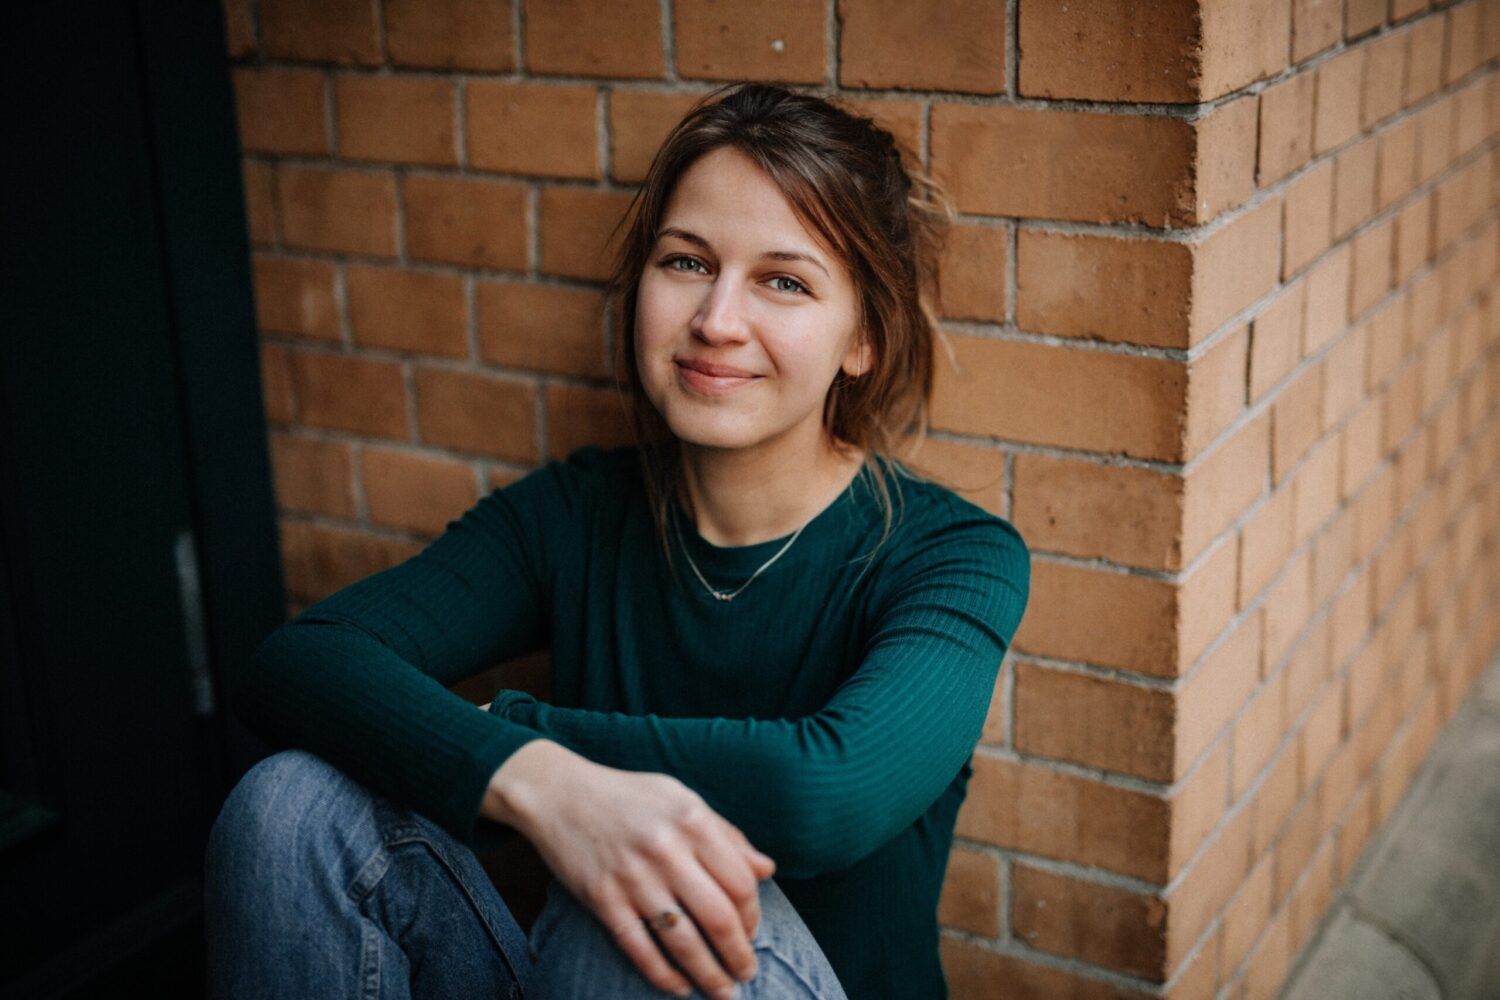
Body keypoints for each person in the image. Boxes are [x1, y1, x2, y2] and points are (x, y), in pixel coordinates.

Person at [204, 83, 1030, 1000]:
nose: (717, 321)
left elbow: (824, 793)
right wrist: (549, 790)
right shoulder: (577, 513)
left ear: (863, 339)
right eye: (686, 263)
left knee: (644, 920)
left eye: (784, 281)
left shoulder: (952, 557)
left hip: (754, 977)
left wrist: (513, 740)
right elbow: (300, 662)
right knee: (289, 806)